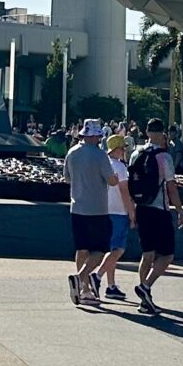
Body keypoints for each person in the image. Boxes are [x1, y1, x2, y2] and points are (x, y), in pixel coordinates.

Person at [64, 119, 119, 307]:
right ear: (95, 136)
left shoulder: (72, 153)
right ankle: (80, 278)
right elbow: (111, 181)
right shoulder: (100, 155)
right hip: (97, 209)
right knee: (99, 251)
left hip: (77, 207)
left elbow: (67, 178)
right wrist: (116, 177)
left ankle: (85, 290)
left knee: (81, 249)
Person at [127, 118, 180, 311]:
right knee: (167, 255)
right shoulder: (164, 157)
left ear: (147, 132)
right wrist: (180, 210)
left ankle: (145, 300)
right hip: (159, 209)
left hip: (142, 207)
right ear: (162, 133)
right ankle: (145, 286)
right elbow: (171, 186)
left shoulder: (135, 154)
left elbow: (131, 181)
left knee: (147, 253)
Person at [98, 131, 134, 300]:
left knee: (111, 249)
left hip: (103, 210)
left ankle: (111, 285)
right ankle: (97, 276)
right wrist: (132, 212)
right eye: (122, 148)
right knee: (118, 249)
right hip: (119, 211)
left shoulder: (103, 164)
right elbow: (124, 192)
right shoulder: (120, 167)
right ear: (117, 149)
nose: (124, 151)